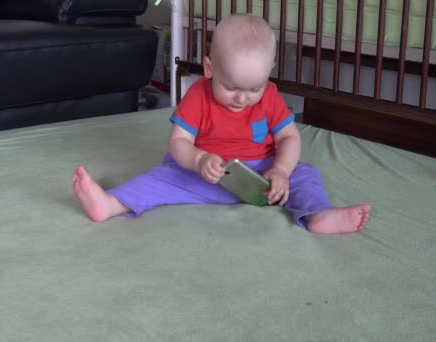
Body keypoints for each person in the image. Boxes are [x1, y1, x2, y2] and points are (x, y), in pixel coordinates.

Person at [72, 14, 370, 234]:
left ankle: (317, 215)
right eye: (231, 88)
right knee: (161, 177)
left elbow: (289, 137)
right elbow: (178, 143)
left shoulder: (270, 96)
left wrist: (280, 170)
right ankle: (111, 204)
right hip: (208, 175)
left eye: (254, 89)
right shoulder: (198, 95)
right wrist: (199, 159)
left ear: (269, 74)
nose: (242, 98)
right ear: (209, 68)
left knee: (305, 175)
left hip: (264, 179)